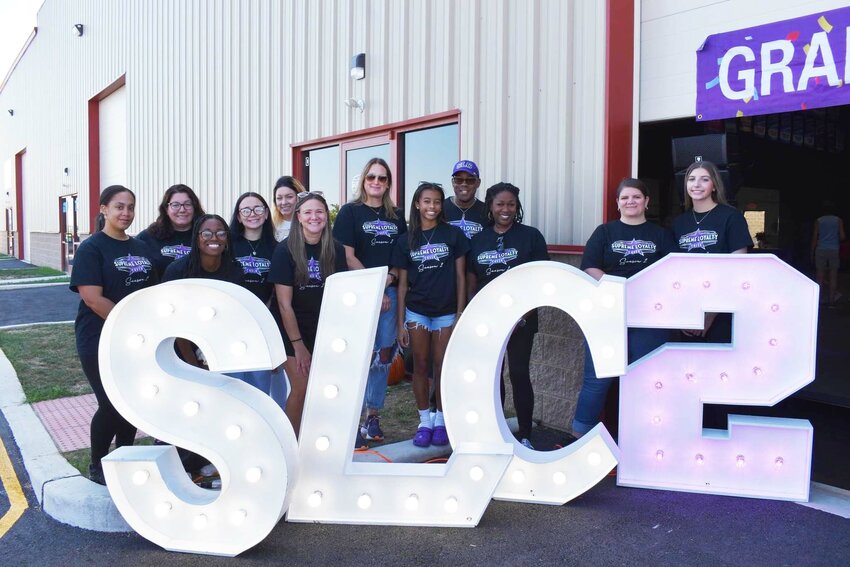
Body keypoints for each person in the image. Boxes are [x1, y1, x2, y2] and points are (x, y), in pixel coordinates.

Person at [572, 178, 675, 437]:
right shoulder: (604, 232)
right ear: (617, 203)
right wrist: (619, 290)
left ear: (646, 202)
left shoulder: (661, 235)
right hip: (608, 314)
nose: (631, 201)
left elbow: (672, 272)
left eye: (636, 197)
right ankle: (578, 438)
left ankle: (642, 438)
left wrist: (644, 292)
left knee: (645, 380)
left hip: (649, 318)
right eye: (625, 197)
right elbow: (590, 266)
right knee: (597, 381)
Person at [70, 185, 159, 485]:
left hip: (136, 339)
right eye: (119, 206)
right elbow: (92, 298)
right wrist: (131, 325)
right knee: (111, 402)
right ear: (103, 209)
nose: (126, 213)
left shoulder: (141, 247)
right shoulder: (92, 248)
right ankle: (97, 464)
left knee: (132, 401)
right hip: (100, 337)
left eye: (131, 207)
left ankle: (125, 456)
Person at [467, 182, 549, 449]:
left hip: (521, 318)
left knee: (518, 372)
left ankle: (525, 433)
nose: (506, 209)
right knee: (492, 374)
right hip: (488, 316)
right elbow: (471, 279)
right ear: (490, 206)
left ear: (517, 207)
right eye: (500, 204)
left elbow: (540, 278)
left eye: (511, 204)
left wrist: (521, 314)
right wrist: (472, 312)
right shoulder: (478, 239)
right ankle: (496, 430)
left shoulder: (531, 236)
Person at [332, 157, 406, 446]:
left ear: (388, 183)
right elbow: (347, 256)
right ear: (364, 180)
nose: (376, 182)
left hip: (388, 290)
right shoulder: (351, 213)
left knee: (383, 355)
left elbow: (401, 257)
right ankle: (352, 417)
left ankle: (372, 417)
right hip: (360, 292)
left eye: (382, 178)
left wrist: (386, 283)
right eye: (371, 177)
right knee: (358, 355)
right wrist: (373, 288)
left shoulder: (395, 216)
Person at [393, 182, 468, 447]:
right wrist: (400, 322)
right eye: (427, 201)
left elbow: (460, 277)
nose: (432, 207)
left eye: (437, 202)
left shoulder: (453, 235)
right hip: (418, 311)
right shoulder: (406, 240)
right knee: (421, 366)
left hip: (447, 312)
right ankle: (424, 420)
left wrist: (460, 312)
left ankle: (441, 420)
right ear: (417, 204)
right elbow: (401, 285)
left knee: (442, 367)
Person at [270, 192, 347, 436]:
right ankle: (289, 444)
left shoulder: (335, 249)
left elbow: (338, 296)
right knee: (301, 387)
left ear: (326, 216)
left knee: (321, 389)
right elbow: (284, 305)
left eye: (320, 212)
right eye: (308, 212)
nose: (314, 217)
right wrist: (299, 346)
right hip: (290, 329)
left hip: (320, 327)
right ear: (299, 218)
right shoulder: (285, 251)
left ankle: (313, 439)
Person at [671, 160, 752, 342]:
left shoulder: (732, 217)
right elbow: (674, 271)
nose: (696, 184)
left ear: (714, 185)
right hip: (689, 307)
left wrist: (711, 314)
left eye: (704, 179)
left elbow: (738, 269)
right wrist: (680, 313)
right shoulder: (678, 222)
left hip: (723, 307)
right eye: (691, 179)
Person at [229, 192, 287, 407]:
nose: (252, 214)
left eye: (258, 209)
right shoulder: (228, 247)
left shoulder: (277, 248)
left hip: (264, 322)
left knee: (262, 384)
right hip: (233, 325)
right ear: (238, 216)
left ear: (265, 214)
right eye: (246, 210)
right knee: (235, 384)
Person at [163, 214, 244, 365]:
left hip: (224, 347)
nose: (214, 238)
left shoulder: (235, 270)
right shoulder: (177, 271)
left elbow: (234, 317)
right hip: (181, 348)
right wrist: (192, 363)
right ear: (196, 237)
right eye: (206, 233)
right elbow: (174, 322)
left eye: (220, 233)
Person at [137, 184, 206, 276]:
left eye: (188, 204)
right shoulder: (148, 237)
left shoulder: (206, 235)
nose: (182, 210)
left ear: (194, 207)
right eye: (175, 205)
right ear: (166, 209)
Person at [811, 201, 845, 305]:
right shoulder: (838, 220)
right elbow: (843, 237)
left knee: (820, 275)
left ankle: (818, 300)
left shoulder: (819, 221)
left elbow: (815, 237)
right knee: (833, 275)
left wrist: (812, 251)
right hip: (834, 249)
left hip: (821, 249)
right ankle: (831, 300)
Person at [444, 159, 487, 240]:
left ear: (478, 183)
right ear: (453, 182)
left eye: (470, 180)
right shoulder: (440, 209)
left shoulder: (486, 211)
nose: (464, 184)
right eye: (458, 180)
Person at [271, 175, 307, 241]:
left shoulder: (309, 225)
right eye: (279, 198)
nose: (284, 202)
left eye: (289, 197)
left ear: (299, 197)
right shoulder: (271, 227)